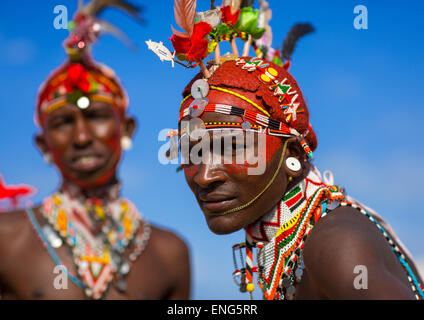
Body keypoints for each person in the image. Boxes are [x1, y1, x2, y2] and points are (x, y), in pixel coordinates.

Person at [149, 0, 424, 299]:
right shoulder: (294, 244)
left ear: (291, 152)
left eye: (232, 147)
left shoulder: (335, 246)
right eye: (194, 153)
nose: (204, 176)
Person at [0, 0, 190, 300]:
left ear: (127, 129)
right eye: (63, 122)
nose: (82, 136)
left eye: (96, 117)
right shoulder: (6, 240)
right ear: (43, 144)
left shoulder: (169, 255)